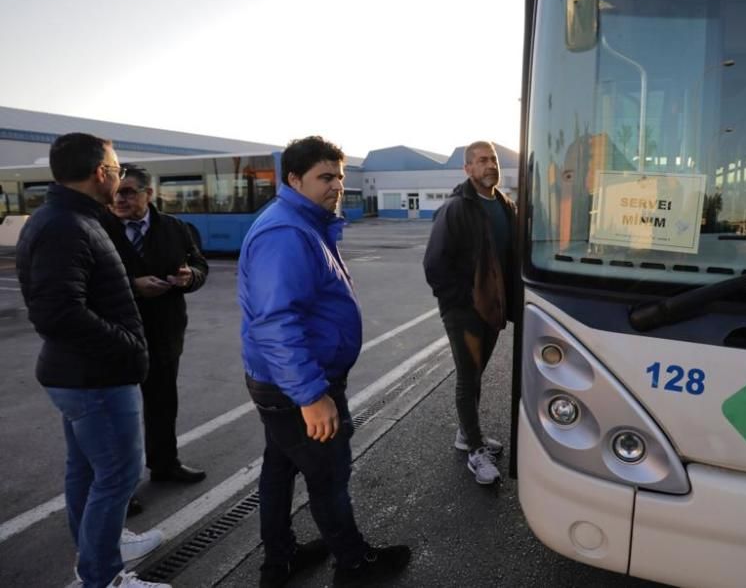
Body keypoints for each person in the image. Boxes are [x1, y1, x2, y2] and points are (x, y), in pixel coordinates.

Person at [238, 136, 411, 587]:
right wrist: (312, 395)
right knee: (328, 475)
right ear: (294, 179)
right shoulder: (287, 232)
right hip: (298, 384)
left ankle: (281, 559)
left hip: (285, 382)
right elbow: (276, 322)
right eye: (325, 177)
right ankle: (353, 565)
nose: (336, 185)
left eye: (340, 175)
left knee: (279, 467)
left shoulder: (303, 222)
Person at [15, 133, 168, 588]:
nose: (120, 179)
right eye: (117, 169)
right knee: (117, 476)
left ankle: (103, 549)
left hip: (82, 375)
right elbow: (58, 312)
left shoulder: (69, 217)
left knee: (86, 470)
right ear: (100, 173)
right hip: (95, 379)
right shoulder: (65, 225)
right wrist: (126, 344)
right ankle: (103, 576)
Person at [105, 164, 209, 487]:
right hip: (116, 336)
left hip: (165, 334)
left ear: (148, 194)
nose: (119, 199)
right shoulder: (100, 228)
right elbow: (88, 281)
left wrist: (190, 276)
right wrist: (134, 286)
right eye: (116, 192)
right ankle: (122, 487)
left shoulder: (176, 228)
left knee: (162, 405)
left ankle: (164, 464)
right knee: (118, 415)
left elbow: (199, 264)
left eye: (128, 192)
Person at [422, 140, 516, 486]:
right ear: (468, 169)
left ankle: (467, 434)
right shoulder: (457, 208)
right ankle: (475, 450)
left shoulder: (506, 205)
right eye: (481, 161)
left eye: (493, 159)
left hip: (492, 310)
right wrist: (462, 301)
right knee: (467, 376)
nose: (490, 165)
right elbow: (434, 264)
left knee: (476, 375)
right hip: (464, 312)